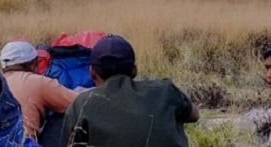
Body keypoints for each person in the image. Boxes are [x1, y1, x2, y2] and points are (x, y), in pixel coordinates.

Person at [61, 34, 198, 147]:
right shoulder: (164, 90)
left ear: (92, 72)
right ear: (134, 70)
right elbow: (194, 115)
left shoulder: (82, 104)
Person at [0, 41, 78, 146]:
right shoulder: (37, 81)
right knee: (60, 116)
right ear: (32, 65)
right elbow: (79, 102)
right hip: (25, 143)